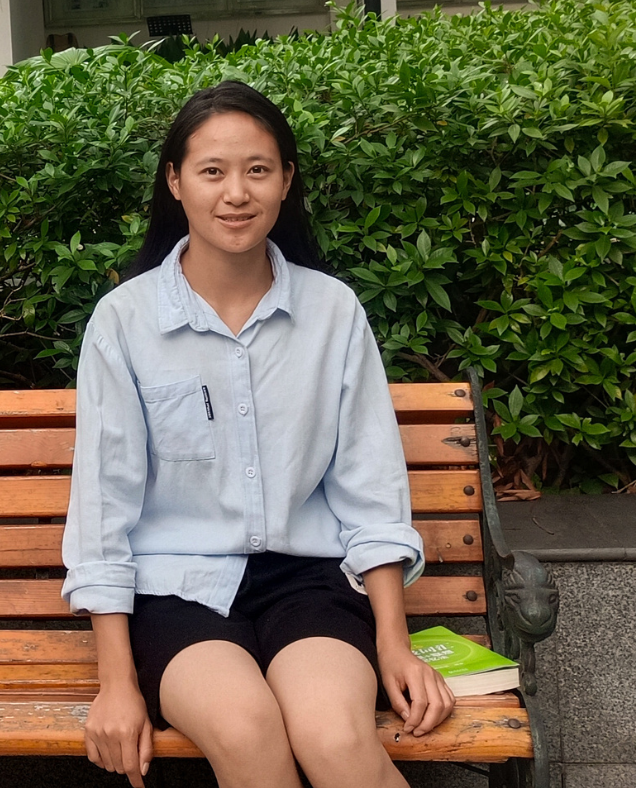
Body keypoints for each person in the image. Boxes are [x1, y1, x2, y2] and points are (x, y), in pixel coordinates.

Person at [60, 80, 456, 788]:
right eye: (212, 171)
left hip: (306, 580)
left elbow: (370, 491)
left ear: (286, 181)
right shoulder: (125, 321)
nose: (235, 193)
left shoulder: (332, 312)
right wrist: (116, 682)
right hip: (174, 590)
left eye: (258, 169)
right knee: (247, 733)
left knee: (335, 738)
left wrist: (394, 644)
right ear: (175, 182)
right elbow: (103, 510)